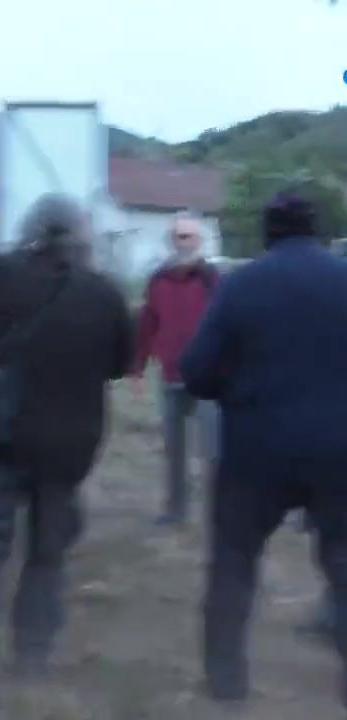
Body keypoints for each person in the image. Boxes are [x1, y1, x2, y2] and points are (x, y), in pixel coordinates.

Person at [0, 193, 133, 699]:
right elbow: (118, 365)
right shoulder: (105, 293)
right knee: (48, 554)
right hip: (71, 446)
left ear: (32, 228)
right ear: (81, 235)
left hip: (4, 435)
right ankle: (33, 657)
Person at [181, 191, 347, 707]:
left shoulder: (241, 285)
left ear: (266, 232)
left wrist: (240, 391)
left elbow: (197, 371)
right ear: (316, 229)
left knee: (233, 561)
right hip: (339, 449)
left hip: (255, 450)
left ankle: (226, 686)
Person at [131, 210, 219, 526]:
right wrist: (137, 367)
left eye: (190, 236)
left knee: (212, 450)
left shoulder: (213, 279)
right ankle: (175, 509)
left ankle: (218, 512)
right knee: (174, 450)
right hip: (170, 376)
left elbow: (229, 325)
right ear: (171, 240)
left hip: (208, 379)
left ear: (199, 240)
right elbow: (147, 324)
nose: (184, 242)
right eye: (179, 236)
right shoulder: (157, 280)